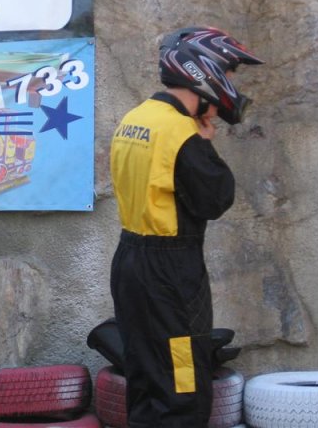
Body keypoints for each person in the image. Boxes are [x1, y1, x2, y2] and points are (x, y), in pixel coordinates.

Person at [109, 26, 264, 427]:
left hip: (130, 260)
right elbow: (215, 199)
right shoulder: (181, 131)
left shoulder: (136, 117)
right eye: (228, 73)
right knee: (182, 388)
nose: (230, 84)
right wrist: (206, 142)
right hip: (170, 270)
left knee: (146, 378)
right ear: (204, 71)